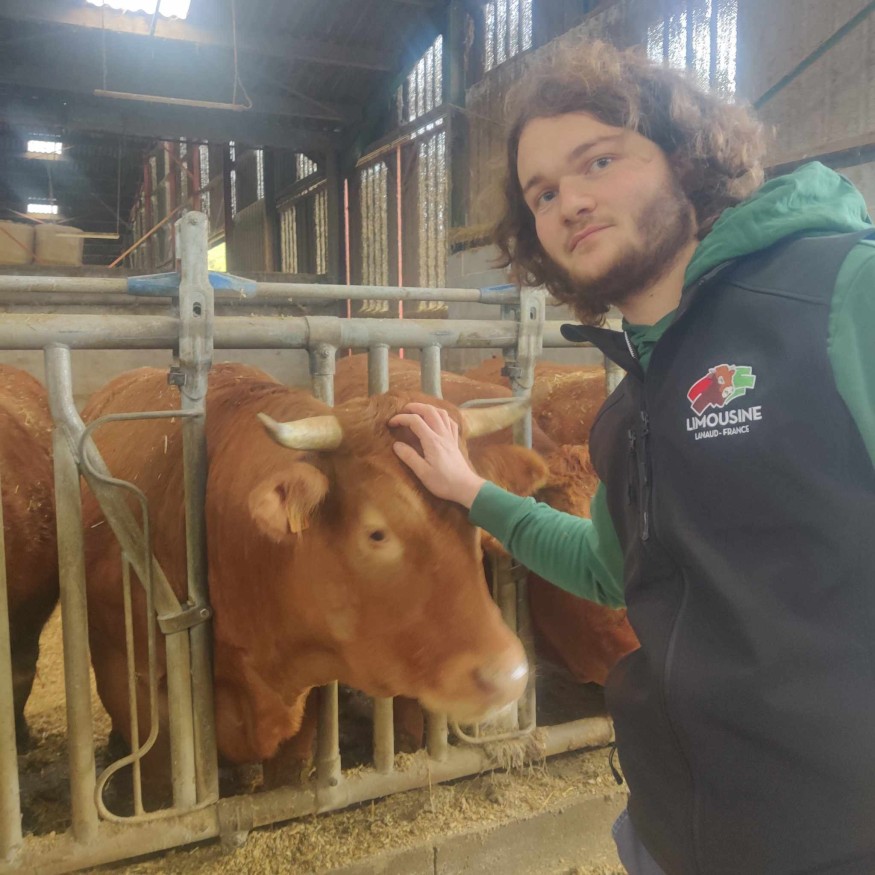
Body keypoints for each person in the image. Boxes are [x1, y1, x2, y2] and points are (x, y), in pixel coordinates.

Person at [389, 40, 875, 875]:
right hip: (667, 831)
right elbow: (609, 571)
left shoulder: (841, 292)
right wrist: (472, 491)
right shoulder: (632, 404)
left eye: (599, 160)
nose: (569, 201)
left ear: (684, 157)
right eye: (542, 194)